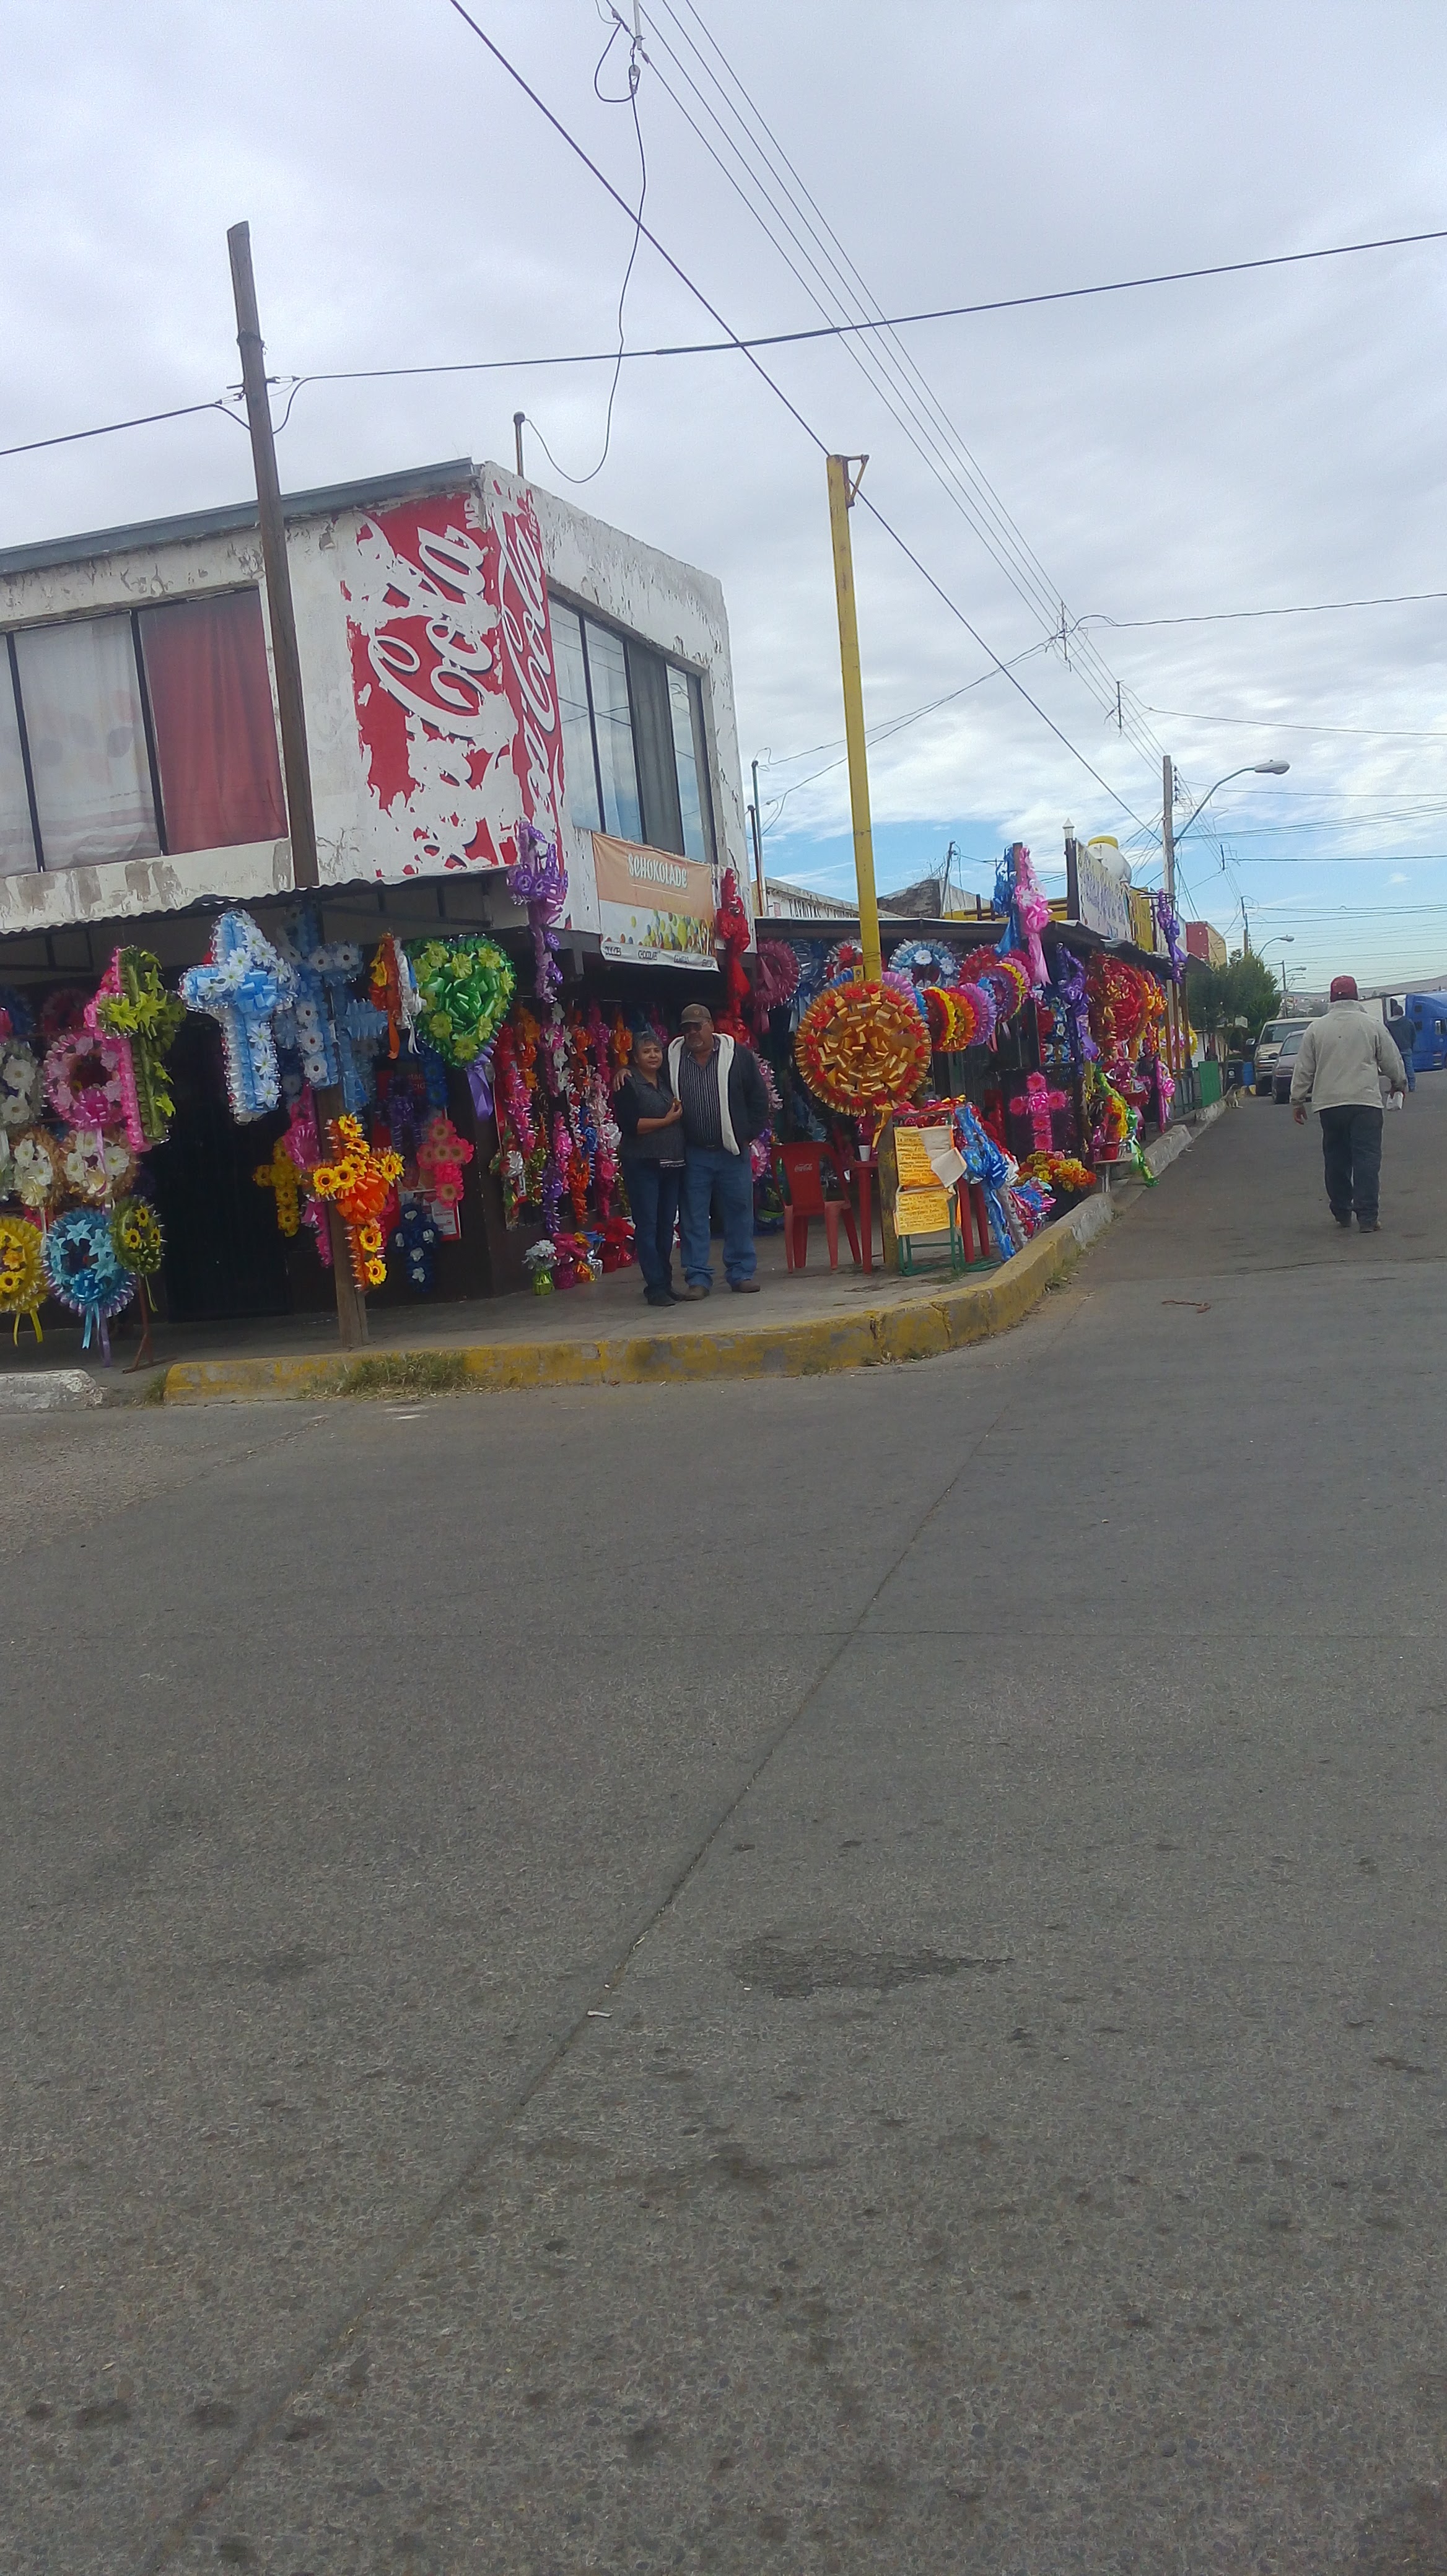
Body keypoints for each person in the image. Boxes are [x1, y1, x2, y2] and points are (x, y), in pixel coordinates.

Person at [667, 1002, 770, 1295]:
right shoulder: (672, 1057)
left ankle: (741, 1273)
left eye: (697, 1027)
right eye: (686, 1028)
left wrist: (746, 1135)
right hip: (694, 1151)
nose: (692, 1033)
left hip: (732, 1150)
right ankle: (698, 1277)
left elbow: (758, 1098)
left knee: (739, 1211)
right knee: (693, 1216)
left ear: (711, 1026)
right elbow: (648, 1077)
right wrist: (624, 1072)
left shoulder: (737, 1055)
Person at [1290, 974, 1406, 1234]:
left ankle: (1342, 1211)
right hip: (1365, 1102)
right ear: (1356, 996)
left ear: (1331, 999)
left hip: (1329, 1105)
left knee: (1336, 1159)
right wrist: (1399, 1083)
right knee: (1367, 1159)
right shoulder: (1371, 1025)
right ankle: (1367, 1217)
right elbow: (1392, 1060)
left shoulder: (1316, 1029)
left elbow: (1304, 1069)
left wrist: (1297, 1100)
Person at [614, 1028, 685, 1307]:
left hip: (671, 1163)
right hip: (643, 1163)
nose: (653, 1055)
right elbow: (631, 1126)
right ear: (635, 1057)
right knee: (648, 1225)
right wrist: (666, 1122)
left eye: (656, 1050)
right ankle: (654, 1286)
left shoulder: (666, 1079)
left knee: (667, 1226)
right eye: (646, 1051)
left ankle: (666, 1283)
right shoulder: (627, 1083)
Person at [1385, 1006, 1416, 1092]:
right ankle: (1412, 1086)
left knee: (1396, 1070)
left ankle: (1396, 1087)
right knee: (1409, 1068)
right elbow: (1414, 1035)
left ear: (1394, 1012)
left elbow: (1387, 1037)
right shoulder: (1409, 1022)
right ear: (1402, 1012)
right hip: (1407, 1048)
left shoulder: (1389, 1023)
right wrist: (1411, 1045)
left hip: (1395, 1050)